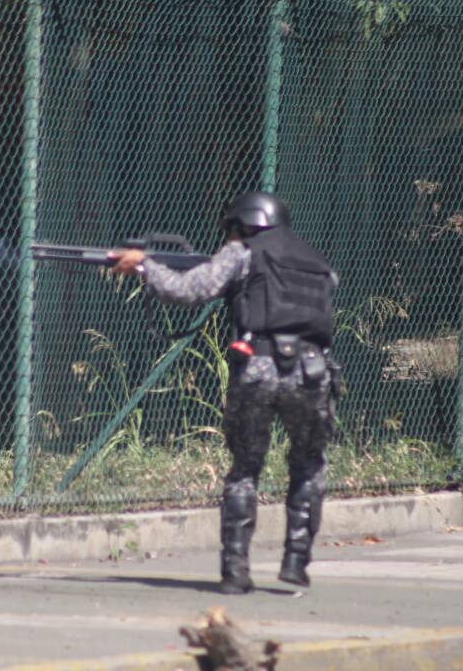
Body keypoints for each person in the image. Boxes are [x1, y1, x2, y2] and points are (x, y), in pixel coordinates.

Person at [108, 192, 339, 593]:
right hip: (312, 373)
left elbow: (187, 291)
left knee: (245, 470)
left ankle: (235, 571)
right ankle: (296, 562)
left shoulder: (241, 253)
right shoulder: (319, 264)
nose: (228, 238)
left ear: (245, 225)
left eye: (232, 230)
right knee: (309, 466)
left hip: (257, 368)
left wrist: (143, 265)